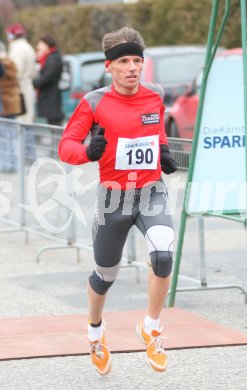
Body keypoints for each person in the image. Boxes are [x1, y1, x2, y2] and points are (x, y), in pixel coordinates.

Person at [58, 27, 177, 375]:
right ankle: (95, 331)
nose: (132, 68)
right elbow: (66, 146)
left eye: (137, 60)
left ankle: (151, 328)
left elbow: (155, 127)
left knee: (164, 254)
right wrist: (87, 151)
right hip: (113, 198)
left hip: (151, 190)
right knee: (105, 274)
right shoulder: (93, 102)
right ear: (109, 66)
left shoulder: (155, 94)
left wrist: (164, 149)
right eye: (124, 61)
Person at [6, 23, 36, 163]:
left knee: (21, 124)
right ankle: (29, 156)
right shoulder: (28, 46)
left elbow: (14, 72)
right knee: (28, 122)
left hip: (20, 90)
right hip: (28, 87)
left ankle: (24, 157)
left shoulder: (17, 49)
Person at [0, 40, 21, 172]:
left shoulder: (5, 64)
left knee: (5, 136)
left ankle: (8, 164)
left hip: (6, 103)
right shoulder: (10, 63)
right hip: (9, 102)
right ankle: (10, 163)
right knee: (9, 135)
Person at [33, 35, 64, 126]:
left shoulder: (53, 59)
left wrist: (35, 82)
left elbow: (47, 77)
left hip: (51, 98)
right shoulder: (49, 58)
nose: (38, 46)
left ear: (47, 45)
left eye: (40, 43)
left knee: (54, 125)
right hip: (49, 98)